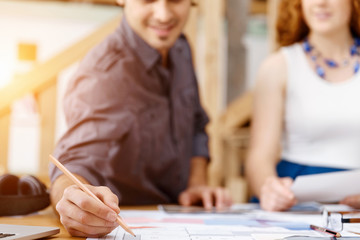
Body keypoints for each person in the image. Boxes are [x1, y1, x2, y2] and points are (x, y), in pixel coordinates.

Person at [49, 0, 232, 237]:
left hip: (180, 219)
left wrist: (196, 184)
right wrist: (73, 200)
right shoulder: (105, 71)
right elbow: (74, 163)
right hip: (125, 224)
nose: (164, 15)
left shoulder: (181, 46)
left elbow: (197, 123)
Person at [246, 0, 360, 212]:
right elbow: (259, 157)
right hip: (295, 204)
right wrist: (268, 189)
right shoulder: (278, 66)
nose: (320, 3)